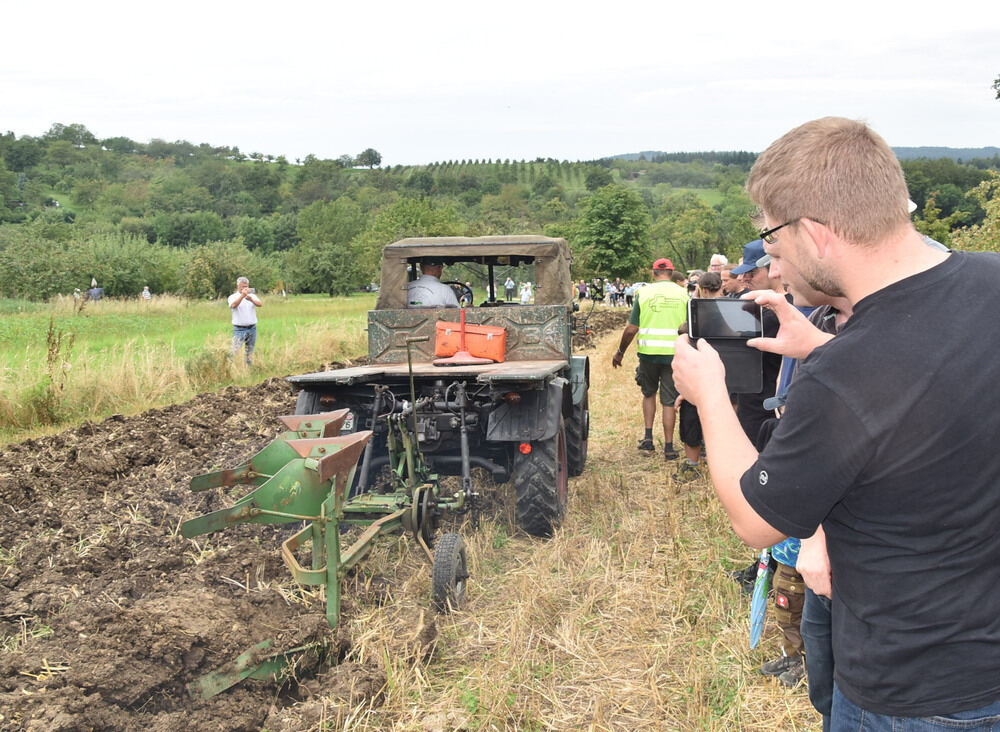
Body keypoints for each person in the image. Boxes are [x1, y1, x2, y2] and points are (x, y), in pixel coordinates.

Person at [672, 116, 1000, 729]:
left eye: (772, 245)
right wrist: (821, 349)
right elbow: (923, 386)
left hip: (912, 691)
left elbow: (757, 521)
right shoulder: (990, 279)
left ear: (817, 234)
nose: (776, 268)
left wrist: (710, 395)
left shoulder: (846, 375)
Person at [611, 258, 689, 460]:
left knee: (648, 394)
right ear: (672, 273)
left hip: (648, 355)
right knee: (669, 401)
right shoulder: (683, 294)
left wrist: (620, 351)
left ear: (653, 273)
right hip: (674, 354)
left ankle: (648, 439)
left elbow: (631, 329)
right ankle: (670, 447)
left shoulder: (643, 293)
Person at [228, 276, 262, 365]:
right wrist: (242, 296)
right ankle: (230, 367)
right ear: (238, 287)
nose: (245, 289)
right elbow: (234, 305)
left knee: (249, 351)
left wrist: (251, 299)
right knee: (234, 351)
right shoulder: (233, 297)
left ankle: (248, 368)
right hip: (239, 329)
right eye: (242, 287)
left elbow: (260, 304)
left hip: (252, 328)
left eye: (246, 286)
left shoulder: (252, 296)